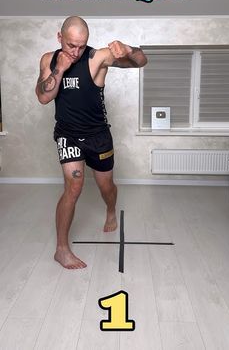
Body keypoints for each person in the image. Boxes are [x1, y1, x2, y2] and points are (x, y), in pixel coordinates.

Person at [35, 16, 147, 269]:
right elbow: (43, 97)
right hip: (68, 134)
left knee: (106, 186)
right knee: (73, 187)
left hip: (98, 136)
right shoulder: (48, 60)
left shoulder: (98, 57)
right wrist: (60, 69)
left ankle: (110, 210)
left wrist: (128, 49)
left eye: (81, 45)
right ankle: (61, 250)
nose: (76, 52)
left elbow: (141, 62)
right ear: (59, 38)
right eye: (71, 45)